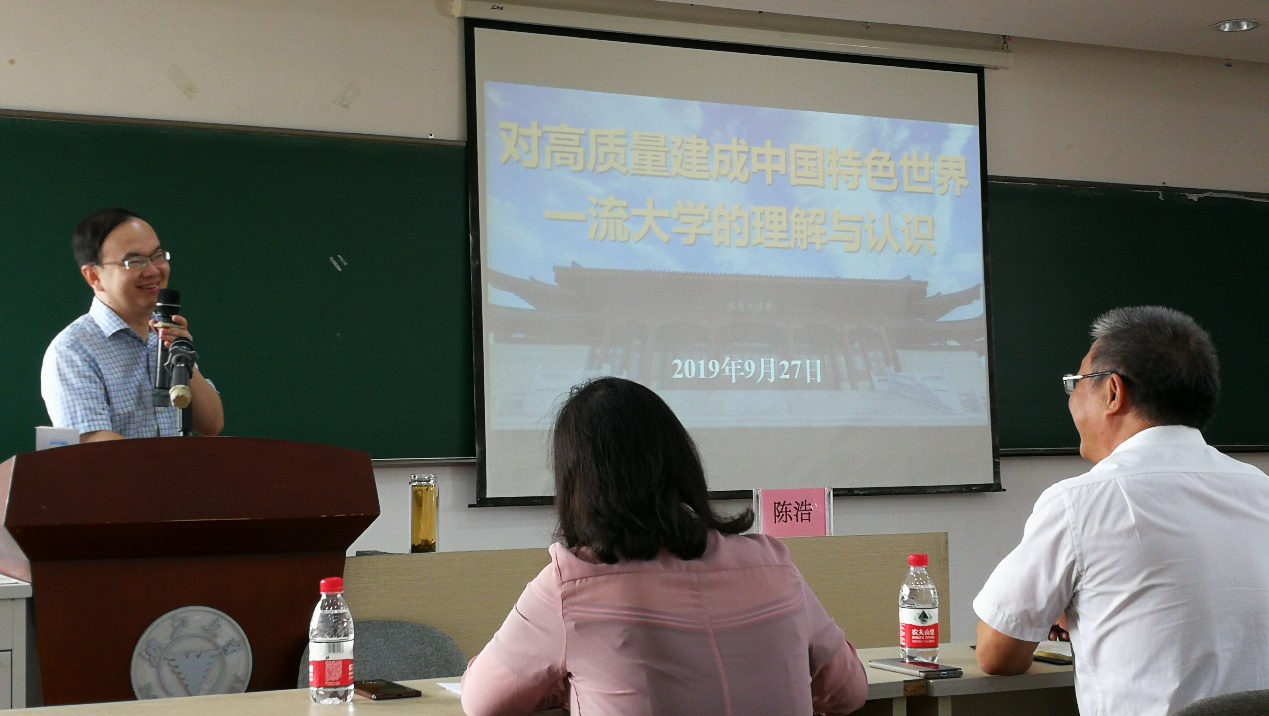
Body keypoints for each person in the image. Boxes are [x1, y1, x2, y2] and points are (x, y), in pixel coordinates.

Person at [461, 377, 868, 716]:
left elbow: (482, 701)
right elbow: (850, 692)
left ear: (576, 484)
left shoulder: (571, 586)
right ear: (681, 459)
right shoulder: (773, 564)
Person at [974, 306, 1269, 715]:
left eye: (1076, 383)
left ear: (1113, 392)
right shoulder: (1260, 490)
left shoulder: (1080, 501)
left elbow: (996, 654)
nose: (1072, 399)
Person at [41, 208, 224, 440]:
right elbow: (94, 443)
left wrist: (182, 357)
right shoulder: (73, 349)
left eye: (157, 256)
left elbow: (211, 425)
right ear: (93, 276)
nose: (153, 270)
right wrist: (166, 463)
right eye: (134, 262)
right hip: (125, 467)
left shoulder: (166, 332)